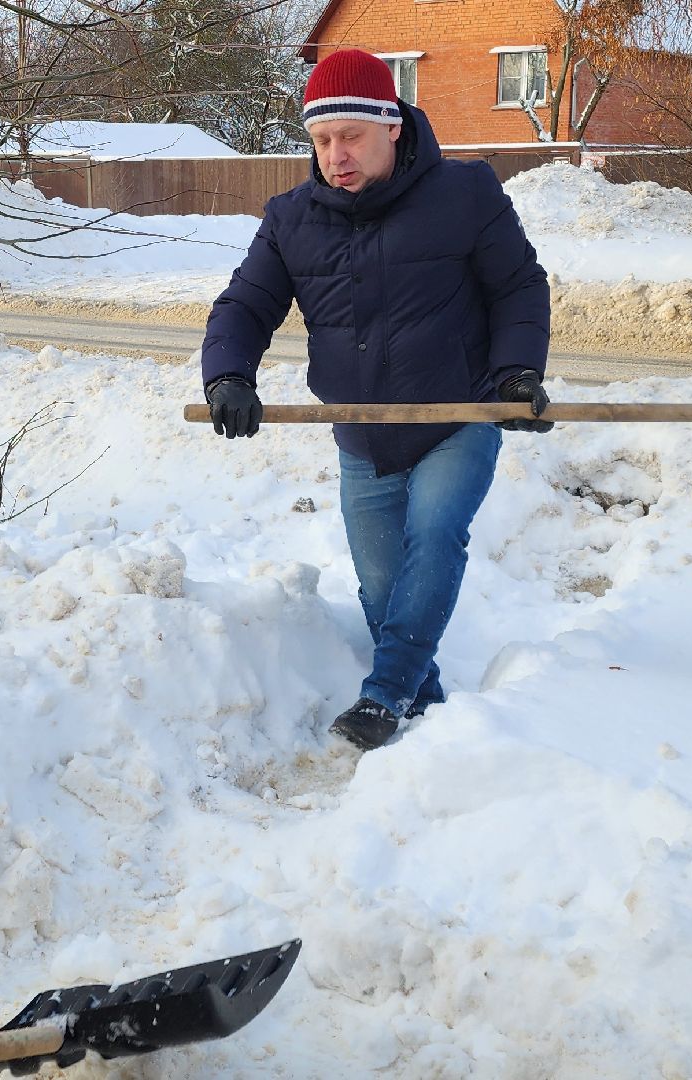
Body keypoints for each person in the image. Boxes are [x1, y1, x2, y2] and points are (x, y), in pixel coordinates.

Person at [199, 49, 553, 752]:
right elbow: (244, 304)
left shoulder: (466, 194)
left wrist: (516, 375)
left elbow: (518, 287)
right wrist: (228, 376)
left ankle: (383, 696)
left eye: (351, 136)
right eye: (322, 140)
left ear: (392, 126)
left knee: (435, 535)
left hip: (459, 415)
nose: (336, 154)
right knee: (380, 582)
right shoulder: (290, 218)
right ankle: (430, 710)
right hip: (361, 434)